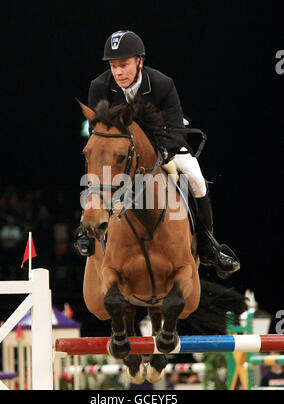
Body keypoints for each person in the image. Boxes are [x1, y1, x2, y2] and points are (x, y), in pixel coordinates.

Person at [76, 30, 240, 278]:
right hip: (121, 149)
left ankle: (208, 244)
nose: (118, 72)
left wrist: (160, 154)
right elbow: (97, 130)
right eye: (113, 66)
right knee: (97, 168)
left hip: (164, 143)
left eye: (124, 65)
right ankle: (84, 229)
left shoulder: (162, 84)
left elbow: (176, 131)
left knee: (195, 178)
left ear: (139, 61)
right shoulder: (99, 86)